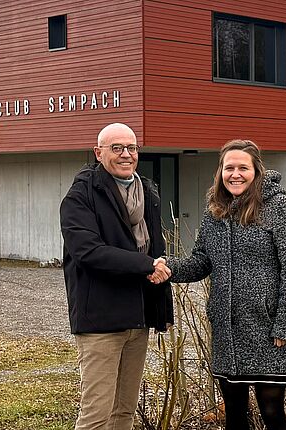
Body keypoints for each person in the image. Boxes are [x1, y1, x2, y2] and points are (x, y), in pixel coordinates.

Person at [157, 139, 286, 430]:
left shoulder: (278, 207)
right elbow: (201, 261)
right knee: (235, 417)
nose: (235, 174)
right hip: (228, 332)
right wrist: (167, 267)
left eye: (243, 168)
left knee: (272, 413)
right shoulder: (215, 211)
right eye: (229, 168)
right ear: (220, 172)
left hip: (267, 330)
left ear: (256, 171)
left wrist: (285, 325)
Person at [59, 122, 174, 430]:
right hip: (101, 320)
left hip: (138, 318)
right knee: (96, 415)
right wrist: (146, 265)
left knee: (124, 411)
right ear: (99, 153)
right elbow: (89, 252)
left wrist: (162, 310)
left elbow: (157, 252)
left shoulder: (147, 191)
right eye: (117, 148)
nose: (126, 154)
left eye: (132, 148)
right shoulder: (81, 195)